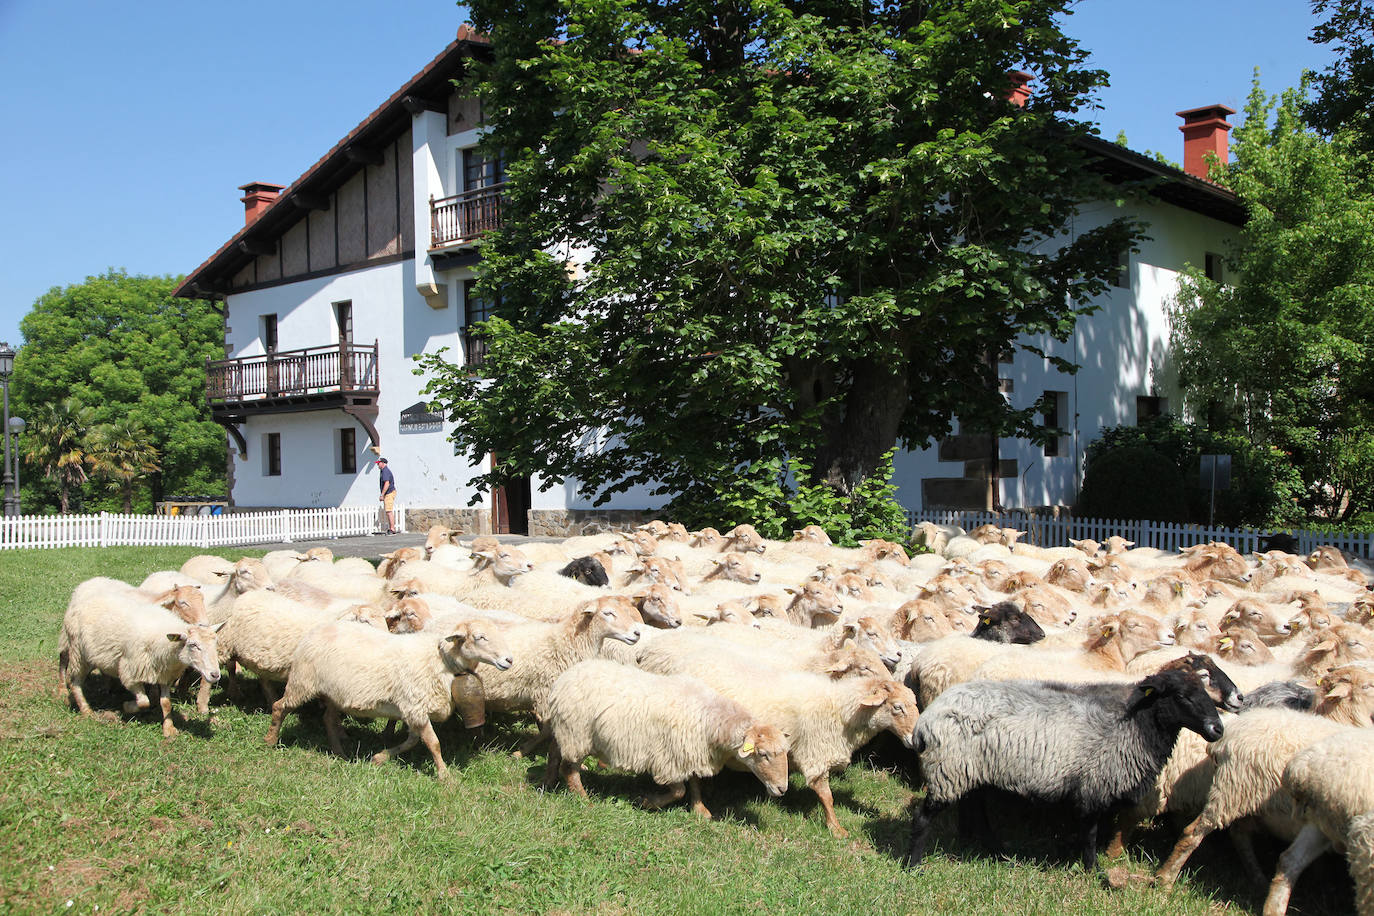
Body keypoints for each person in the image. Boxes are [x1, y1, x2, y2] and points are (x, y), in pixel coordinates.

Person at [377, 457, 397, 534]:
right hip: (389, 492)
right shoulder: (383, 471)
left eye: (379, 463)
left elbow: (387, 483)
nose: (378, 465)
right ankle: (392, 528)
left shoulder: (385, 471)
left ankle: (392, 529)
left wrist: (382, 494)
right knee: (388, 510)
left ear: (383, 463)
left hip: (389, 493)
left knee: (389, 511)